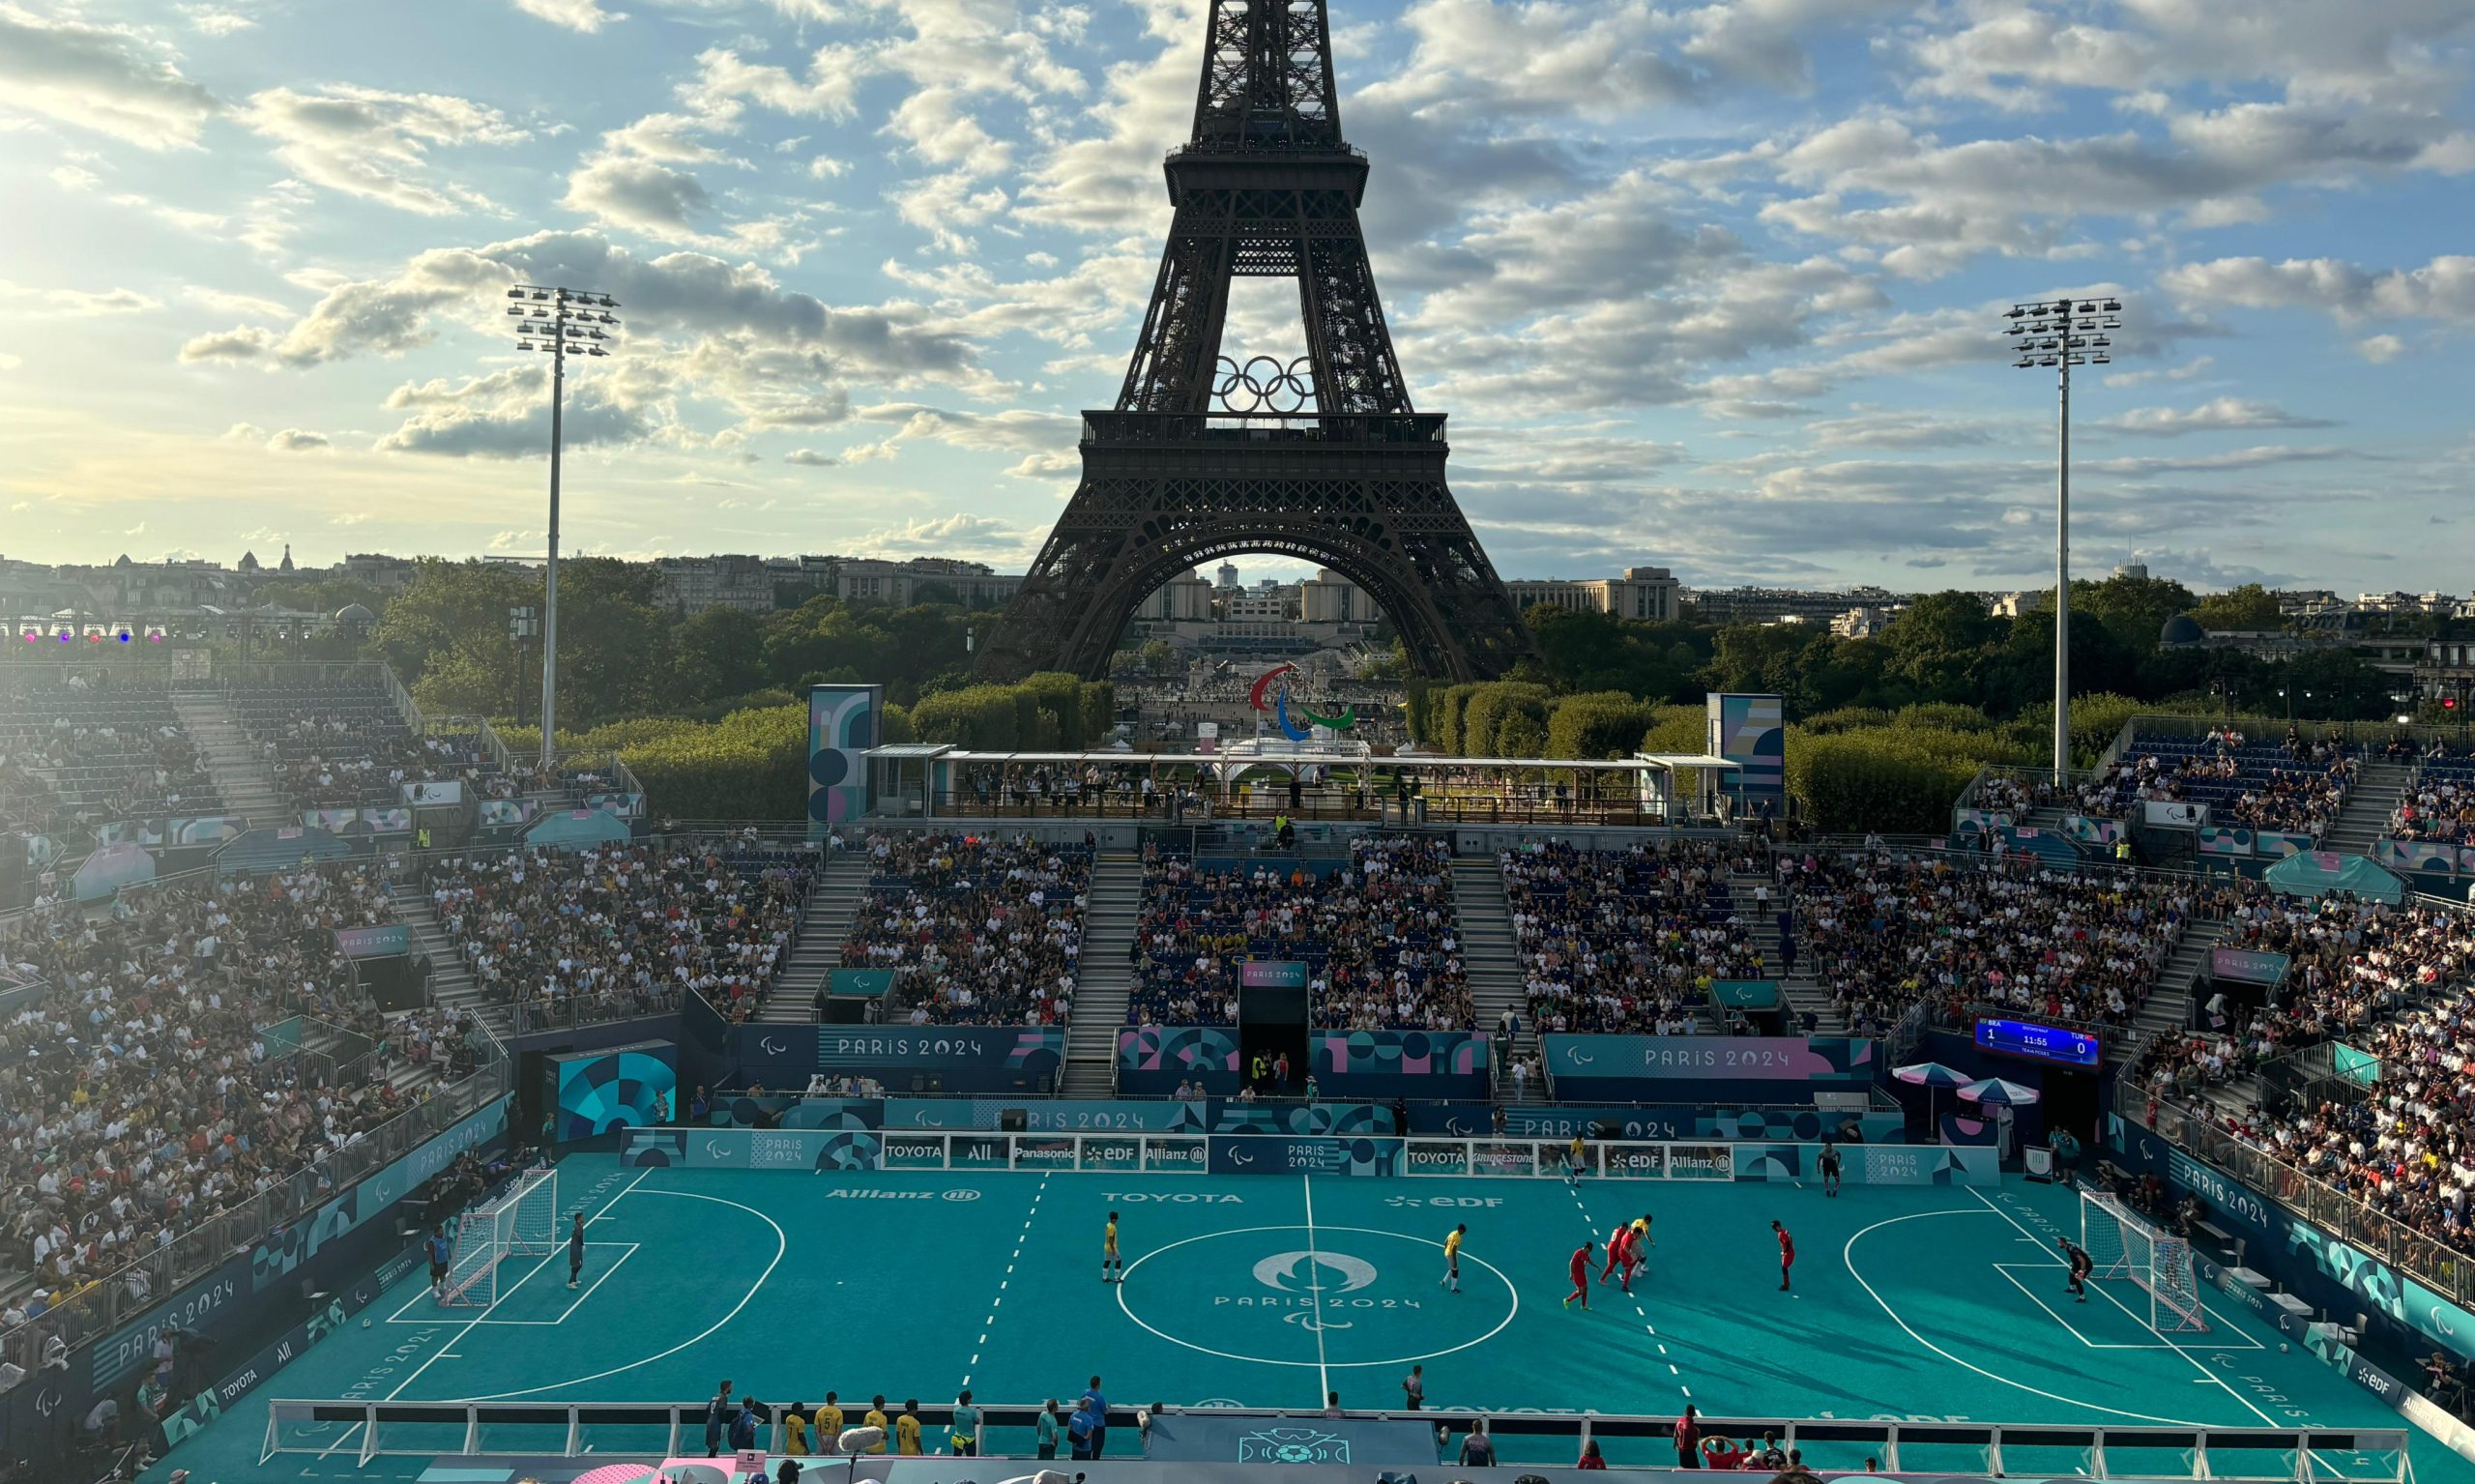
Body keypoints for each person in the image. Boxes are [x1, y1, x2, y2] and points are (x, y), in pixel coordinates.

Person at [1081, 1375, 1109, 1458]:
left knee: (1088, 1445)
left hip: (1088, 1423)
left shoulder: (1086, 1392)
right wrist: (1108, 1407)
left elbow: (1081, 1402)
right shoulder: (1100, 1397)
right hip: (1098, 1425)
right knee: (1097, 1447)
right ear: (1098, 1385)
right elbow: (1105, 1411)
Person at [705, 1381, 735, 1457]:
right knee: (715, 1447)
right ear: (727, 1388)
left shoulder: (715, 1396)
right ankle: (710, 1462)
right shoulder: (723, 1398)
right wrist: (724, 1424)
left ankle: (710, 1460)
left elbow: (708, 1409)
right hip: (716, 1423)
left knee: (712, 1446)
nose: (731, 1389)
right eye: (730, 1387)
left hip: (710, 1421)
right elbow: (721, 1410)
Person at [2060, 1237, 2093, 1302]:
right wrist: (2073, 1263)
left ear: (2062, 1243)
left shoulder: (2073, 1250)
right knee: (2071, 1273)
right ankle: (2072, 1289)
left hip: (2086, 1266)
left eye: (2059, 1242)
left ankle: (2082, 1298)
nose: (2057, 1244)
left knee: (2077, 1280)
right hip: (2077, 1264)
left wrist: (2081, 1271)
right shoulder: (2067, 1247)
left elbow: (2083, 1261)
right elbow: (2074, 1258)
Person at [951, 1389, 980, 1456]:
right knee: (971, 1460)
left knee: (956, 1459)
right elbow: (977, 1421)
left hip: (958, 1438)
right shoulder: (971, 1412)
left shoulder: (955, 1410)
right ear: (968, 1400)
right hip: (970, 1439)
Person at [1565, 1240, 1592, 1311]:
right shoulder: (1578, 1253)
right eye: (1589, 1250)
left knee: (1585, 1288)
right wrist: (1571, 1274)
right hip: (1576, 1274)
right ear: (1586, 1248)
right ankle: (1567, 1300)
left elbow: (1588, 1260)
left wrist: (1596, 1267)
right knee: (1580, 1291)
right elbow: (1571, 1263)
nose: (1589, 1252)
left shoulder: (1586, 1254)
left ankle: (1583, 1306)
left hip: (1582, 1274)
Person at [1674, 1403, 1703, 1469]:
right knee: (1696, 1470)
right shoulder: (1693, 1428)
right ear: (1694, 1413)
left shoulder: (1680, 1420)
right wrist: (1698, 1435)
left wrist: (1675, 1442)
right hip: (1690, 1452)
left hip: (1681, 1450)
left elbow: (1676, 1434)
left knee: (1684, 1468)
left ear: (1686, 1411)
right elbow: (1694, 1442)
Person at [1441, 1223, 1467, 1293]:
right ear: (1460, 1230)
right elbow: (1454, 1249)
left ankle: (1443, 1282)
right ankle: (1453, 1289)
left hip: (1447, 1252)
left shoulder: (1453, 1233)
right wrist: (1454, 1260)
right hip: (1451, 1254)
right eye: (1463, 1231)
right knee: (1455, 1270)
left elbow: (1445, 1242)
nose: (1464, 1232)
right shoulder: (1458, 1238)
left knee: (1452, 1269)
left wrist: (1446, 1250)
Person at [427, 1225, 452, 1295]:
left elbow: (446, 1245)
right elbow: (429, 1254)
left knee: (443, 1273)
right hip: (436, 1261)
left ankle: (442, 1286)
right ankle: (434, 1290)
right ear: (436, 1232)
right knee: (435, 1276)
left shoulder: (444, 1237)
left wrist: (449, 1253)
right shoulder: (432, 1242)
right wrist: (431, 1264)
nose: (442, 1231)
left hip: (444, 1259)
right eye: (441, 1230)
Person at [1773, 1219, 1795, 1292]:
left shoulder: (1781, 1234)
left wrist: (1784, 1252)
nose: (1774, 1229)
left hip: (1788, 1253)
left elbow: (1788, 1244)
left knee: (1784, 1268)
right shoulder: (1785, 1230)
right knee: (1783, 1266)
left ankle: (1786, 1285)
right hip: (1790, 1252)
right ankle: (1787, 1283)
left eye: (1775, 1227)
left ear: (1778, 1226)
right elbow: (1790, 1240)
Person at [568, 1211, 587, 1290]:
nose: (583, 1218)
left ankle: (574, 1280)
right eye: (582, 1217)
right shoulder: (578, 1227)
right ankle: (570, 1282)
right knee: (577, 1265)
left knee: (579, 1264)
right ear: (579, 1218)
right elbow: (579, 1237)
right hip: (575, 1248)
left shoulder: (577, 1226)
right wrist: (582, 1245)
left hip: (576, 1247)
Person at [1102, 1210, 1122, 1284]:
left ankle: (1105, 1278)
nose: (1117, 1220)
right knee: (1118, 1261)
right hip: (1111, 1248)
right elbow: (1111, 1239)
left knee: (1107, 1261)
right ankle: (1116, 1278)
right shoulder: (1112, 1228)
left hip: (1107, 1247)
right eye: (1116, 1218)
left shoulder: (1108, 1225)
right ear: (1113, 1219)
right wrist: (1114, 1250)